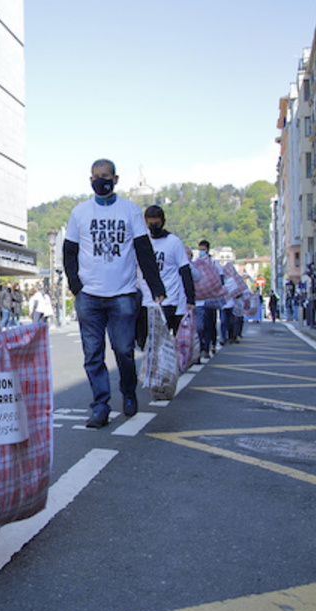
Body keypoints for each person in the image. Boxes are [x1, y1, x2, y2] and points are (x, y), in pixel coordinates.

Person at [64, 159, 165, 429]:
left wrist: (157, 288)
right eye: (96, 176)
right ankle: (100, 406)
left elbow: (144, 250)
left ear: (116, 179)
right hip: (90, 297)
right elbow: (69, 252)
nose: (101, 180)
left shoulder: (130, 210)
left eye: (105, 176)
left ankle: (129, 392)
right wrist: (77, 287)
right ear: (90, 180)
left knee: (123, 350)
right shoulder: (80, 213)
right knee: (93, 355)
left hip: (122, 294)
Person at [136, 205, 195, 345]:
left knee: (162, 341)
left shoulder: (173, 242)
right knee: (144, 342)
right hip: (147, 300)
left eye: (156, 223)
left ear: (163, 222)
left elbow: (185, 271)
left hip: (168, 299)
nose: (154, 227)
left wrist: (190, 299)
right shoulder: (142, 242)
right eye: (151, 224)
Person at [194, 240, 223, 361]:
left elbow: (220, 280)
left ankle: (207, 347)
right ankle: (201, 348)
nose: (201, 252)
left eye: (203, 249)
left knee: (210, 325)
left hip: (210, 300)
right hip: (199, 301)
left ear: (207, 249)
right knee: (200, 327)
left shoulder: (214, 264)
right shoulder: (196, 264)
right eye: (200, 249)